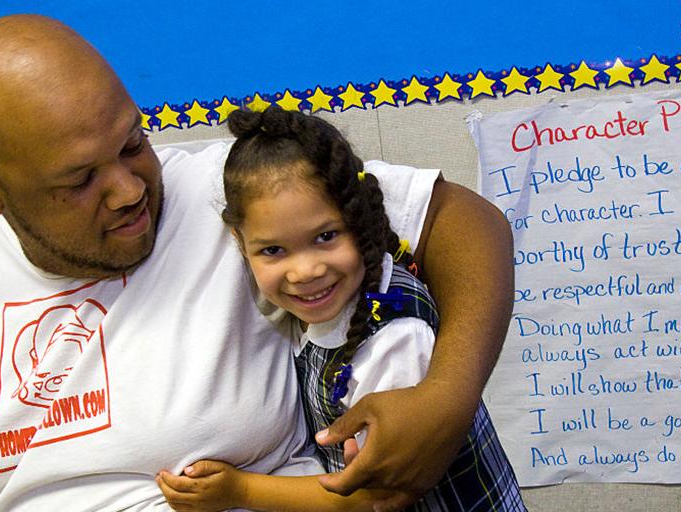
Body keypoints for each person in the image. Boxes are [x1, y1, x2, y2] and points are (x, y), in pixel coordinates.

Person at [0, 14, 515, 512]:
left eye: (133, 142)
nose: (131, 189)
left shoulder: (236, 197)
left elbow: (461, 221)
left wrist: (446, 399)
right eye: (79, 180)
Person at [156, 108, 525, 511]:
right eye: (273, 250)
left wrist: (238, 491)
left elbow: (371, 498)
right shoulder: (318, 308)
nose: (306, 271)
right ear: (239, 242)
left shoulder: (392, 340)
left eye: (326, 236)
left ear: (358, 215)